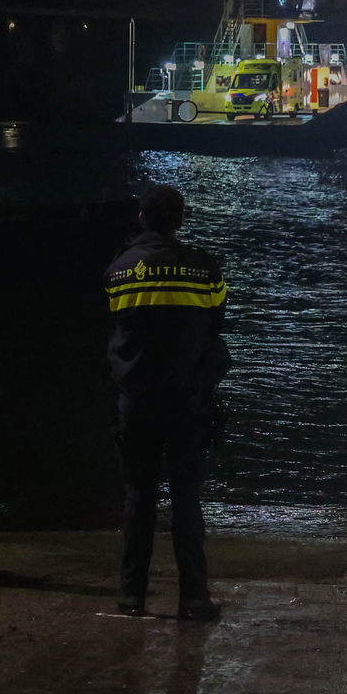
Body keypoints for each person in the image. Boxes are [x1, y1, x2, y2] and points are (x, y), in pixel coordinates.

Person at [105, 184, 229, 620]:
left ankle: (131, 596)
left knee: (138, 495)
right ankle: (194, 597)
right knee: (186, 496)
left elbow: (119, 322)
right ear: (180, 220)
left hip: (138, 398)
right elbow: (216, 322)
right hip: (187, 400)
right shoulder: (205, 268)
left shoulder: (119, 270)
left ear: (142, 219)